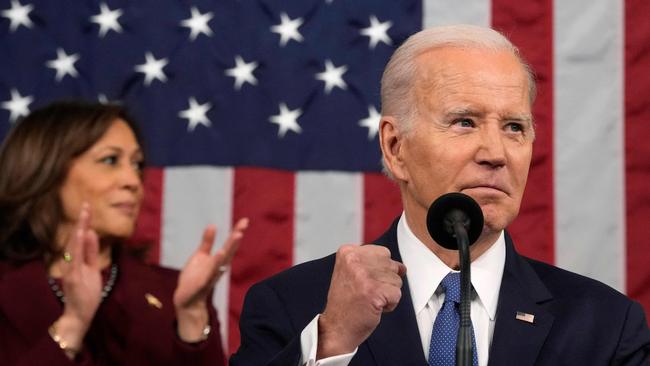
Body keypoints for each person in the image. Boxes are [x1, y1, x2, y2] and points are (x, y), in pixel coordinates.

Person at [229, 24, 650, 366]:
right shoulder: (293, 307)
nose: (496, 154)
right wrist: (334, 343)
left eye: (514, 127)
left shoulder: (606, 326)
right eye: (465, 122)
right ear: (396, 148)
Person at [0, 100, 249, 365]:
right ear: (46, 168)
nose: (133, 181)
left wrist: (192, 316)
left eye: (137, 164)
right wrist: (72, 325)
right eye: (110, 160)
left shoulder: (173, 293)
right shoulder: (7, 289)